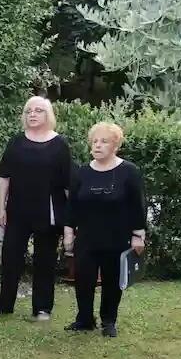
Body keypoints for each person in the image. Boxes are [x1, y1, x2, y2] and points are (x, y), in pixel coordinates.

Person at [0, 96, 72, 321]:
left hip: (48, 212)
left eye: (38, 110)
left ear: (48, 115)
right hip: (17, 210)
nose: (33, 114)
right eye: (29, 111)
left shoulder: (60, 144)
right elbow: (4, 176)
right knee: (10, 258)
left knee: (44, 261)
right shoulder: (16, 142)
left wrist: (71, 218)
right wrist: (1, 207)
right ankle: (4, 306)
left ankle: (42, 308)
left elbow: (68, 184)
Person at [63, 122, 147, 338]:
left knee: (112, 281)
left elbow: (138, 206)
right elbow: (72, 205)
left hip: (117, 238)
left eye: (104, 141)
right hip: (87, 238)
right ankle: (84, 320)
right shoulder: (82, 172)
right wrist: (68, 232)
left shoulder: (129, 171)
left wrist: (138, 235)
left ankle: (109, 321)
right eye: (94, 141)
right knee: (83, 280)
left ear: (115, 146)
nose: (97, 145)